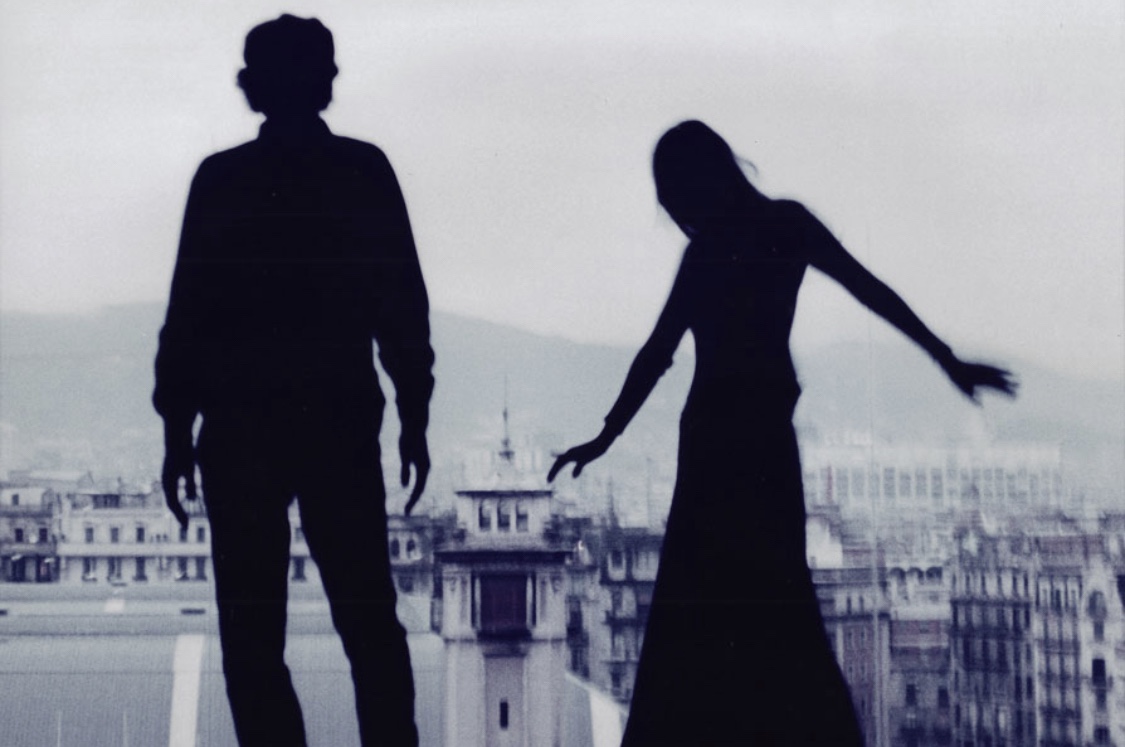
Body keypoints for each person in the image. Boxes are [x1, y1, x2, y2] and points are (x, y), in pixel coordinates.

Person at [549, 120, 1016, 745]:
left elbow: (658, 351)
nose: (678, 216)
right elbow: (870, 290)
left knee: (695, 604)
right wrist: (945, 358)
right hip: (765, 439)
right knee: (780, 596)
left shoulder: (707, 250)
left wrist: (606, 436)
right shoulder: (785, 224)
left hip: (710, 443)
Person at [154, 15, 433, 747]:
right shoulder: (364, 172)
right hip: (339, 422)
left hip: (238, 429)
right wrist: (414, 413)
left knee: (251, 639)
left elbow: (187, 316)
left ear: (252, 86)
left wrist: (176, 430)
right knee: (370, 623)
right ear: (325, 81)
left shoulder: (220, 181)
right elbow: (402, 306)